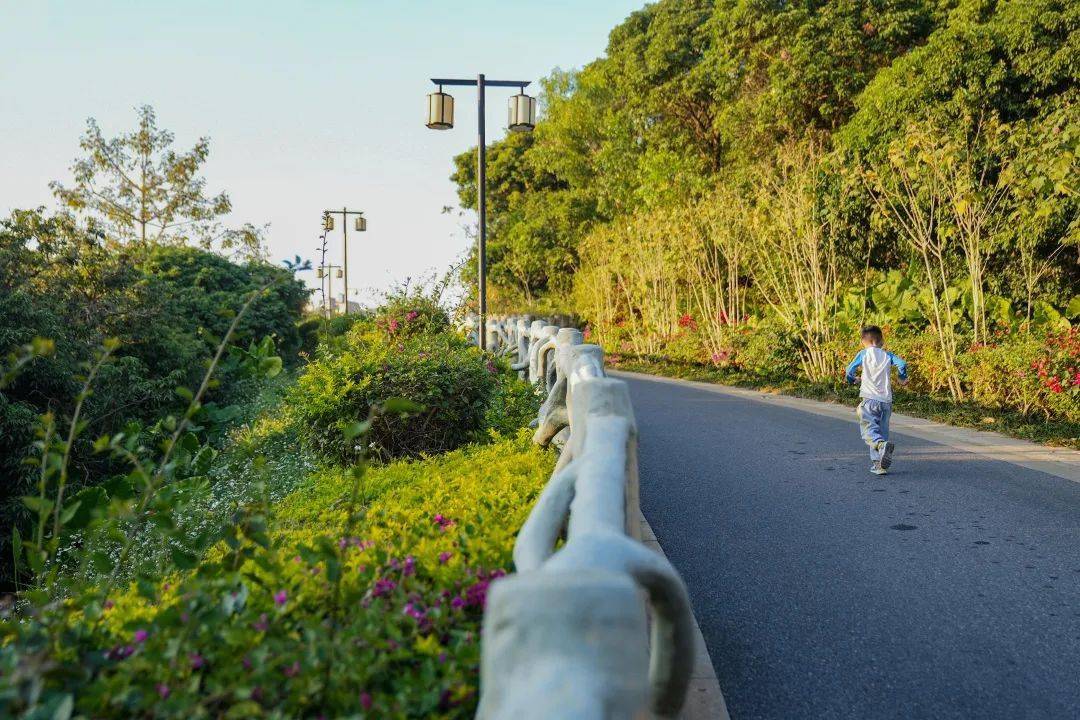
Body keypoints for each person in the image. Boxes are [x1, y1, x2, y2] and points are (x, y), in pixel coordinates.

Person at [845, 326, 908, 475]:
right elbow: (902, 364)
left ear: (863, 342)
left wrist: (852, 379)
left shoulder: (863, 354)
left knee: (869, 431)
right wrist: (902, 377)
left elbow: (849, 370)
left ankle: (880, 447)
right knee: (881, 432)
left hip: (869, 400)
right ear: (882, 341)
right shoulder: (888, 355)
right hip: (886, 402)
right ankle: (879, 465)